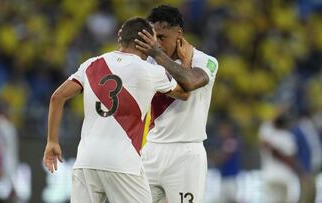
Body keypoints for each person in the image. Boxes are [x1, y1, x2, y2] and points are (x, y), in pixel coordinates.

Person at [42, 17, 189, 203]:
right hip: (124, 162)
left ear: (121, 37)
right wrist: (184, 61)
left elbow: (57, 97)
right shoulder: (152, 72)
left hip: (86, 161)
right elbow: (184, 92)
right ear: (146, 43)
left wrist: (52, 141)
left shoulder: (92, 64)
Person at [134, 5, 219, 203]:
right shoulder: (147, 63)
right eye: (154, 38)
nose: (157, 44)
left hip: (186, 154)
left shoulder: (206, 61)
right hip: (151, 150)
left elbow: (190, 83)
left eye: (162, 37)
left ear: (178, 33)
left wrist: (158, 55)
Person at [259, 114, 301, 203]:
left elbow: (265, 127)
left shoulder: (267, 135)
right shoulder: (288, 136)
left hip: (269, 176)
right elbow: (291, 158)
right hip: (284, 177)